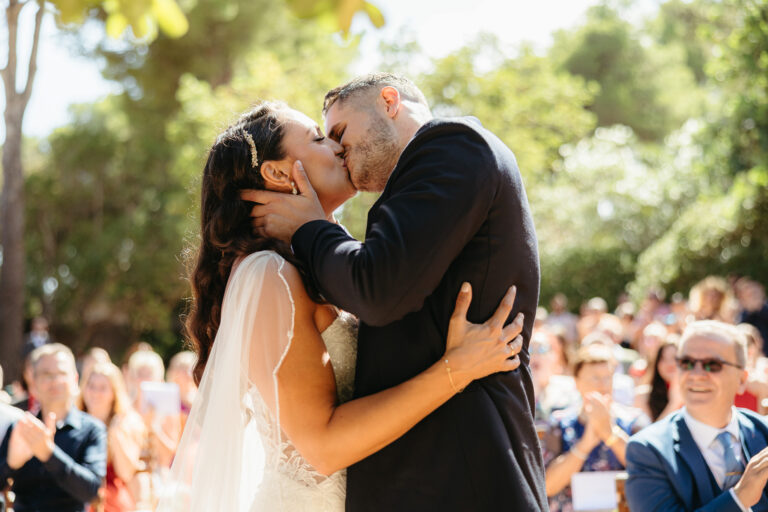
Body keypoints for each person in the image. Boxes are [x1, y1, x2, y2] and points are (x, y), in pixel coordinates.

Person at [157, 100, 527, 512]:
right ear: (278, 173)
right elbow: (322, 447)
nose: (339, 148)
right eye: (319, 138)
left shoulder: (325, 269)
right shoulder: (268, 276)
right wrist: (455, 369)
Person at [242, 73, 544, 510]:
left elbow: (377, 290)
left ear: (389, 101)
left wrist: (311, 228)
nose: (338, 150)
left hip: (468, 471)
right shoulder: (276, 274)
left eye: (339, 132)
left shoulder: (452, 145)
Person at [625, 320, 768, 511]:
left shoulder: (764, 432)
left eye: (712, 364)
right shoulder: (648, 450)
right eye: (687, 363)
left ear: (742, 380)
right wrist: (739, 498)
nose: (696, 374)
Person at [0, 343, 106, 512]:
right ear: (33, 383)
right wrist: (10, 464)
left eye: (61, 373)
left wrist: (49, 454)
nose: (55, 381)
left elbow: (91, 491)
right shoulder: (20, 427)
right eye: (47, 374)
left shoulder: (92, 430)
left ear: (75, 379)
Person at [543, 343, 649, 512]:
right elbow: (548, 486)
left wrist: (610, 434)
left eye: (608, 377)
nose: (603, 385)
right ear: (577, 382)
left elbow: (648, 472)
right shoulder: (559, 423)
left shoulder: (634, 420)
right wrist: (585, 443)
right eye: (595, 378)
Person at [78, 361, 150, 512]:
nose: (95, 393)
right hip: (78, 497)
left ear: (114, 393)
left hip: (111, 501)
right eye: (91, 386)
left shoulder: (124, 423)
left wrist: (115, 435)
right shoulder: (75, 421)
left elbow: (125, 474)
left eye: (103, 388)